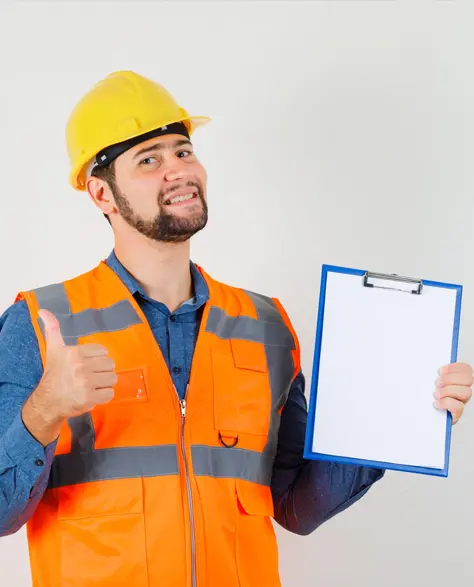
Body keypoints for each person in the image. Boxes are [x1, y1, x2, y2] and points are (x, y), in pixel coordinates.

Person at [0, 70, 472, 587]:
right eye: (149, 160)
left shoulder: (265, 325)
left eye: (183, 151)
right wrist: (45, 410)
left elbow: (296, 506)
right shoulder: (41, 325)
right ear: (101, 193)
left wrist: (401, 421)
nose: (177, 171)